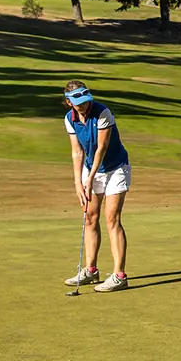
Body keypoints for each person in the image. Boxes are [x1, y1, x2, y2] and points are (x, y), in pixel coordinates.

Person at [62, 80, 131, 292]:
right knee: (91, 217)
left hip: (115, 168)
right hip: (91, 170)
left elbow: (102, 148)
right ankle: (91, 270)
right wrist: (78, 182)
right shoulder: (69, 119)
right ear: (69, 102)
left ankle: (119, 275)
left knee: (112, 218)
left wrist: (89, 178)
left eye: (85, 101)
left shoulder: (103, 113)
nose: (83, 106)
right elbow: (77, 152)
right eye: (78, 102)